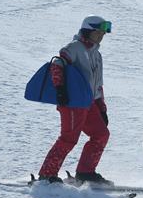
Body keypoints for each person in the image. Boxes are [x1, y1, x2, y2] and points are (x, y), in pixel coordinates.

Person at [38, 15, 113, 185]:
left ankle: (85, 172)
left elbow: (98, 84)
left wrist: (102, 108)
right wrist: (61, 90)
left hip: (90, 103)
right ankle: (47, 174)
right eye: (98, 32)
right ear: (87, 31)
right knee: (68, 138)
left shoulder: (97, 54)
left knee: (101, 134)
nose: (101, 36)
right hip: (73, 102)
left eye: (102, 34)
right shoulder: (75, 47)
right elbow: (58, 62)